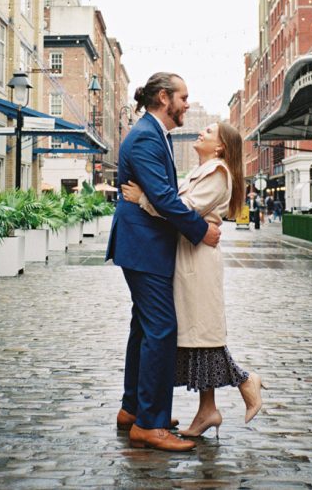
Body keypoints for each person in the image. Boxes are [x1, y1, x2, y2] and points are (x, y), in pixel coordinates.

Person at [122, 121, 263, 438]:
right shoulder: (205, 171)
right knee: (197, 335)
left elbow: (182, 208)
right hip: (189, 253)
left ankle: (244, 381)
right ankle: (207, 410)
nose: (202, 132)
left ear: (220, 147)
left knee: (202, 334)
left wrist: (144, 198)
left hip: (197, 260)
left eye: (210, 132)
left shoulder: (217, 173)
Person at [105, 73, 221, 452]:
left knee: (143, 328)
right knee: (161, 329)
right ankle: (150, 424)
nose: (188, 103)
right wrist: (200, 230)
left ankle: (133, 409)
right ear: (162, 97)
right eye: (183, 97)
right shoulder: (144, 137)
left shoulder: (155, 135)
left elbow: (163, 195)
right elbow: (166, 199)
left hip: (146, 244)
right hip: (144, 246)